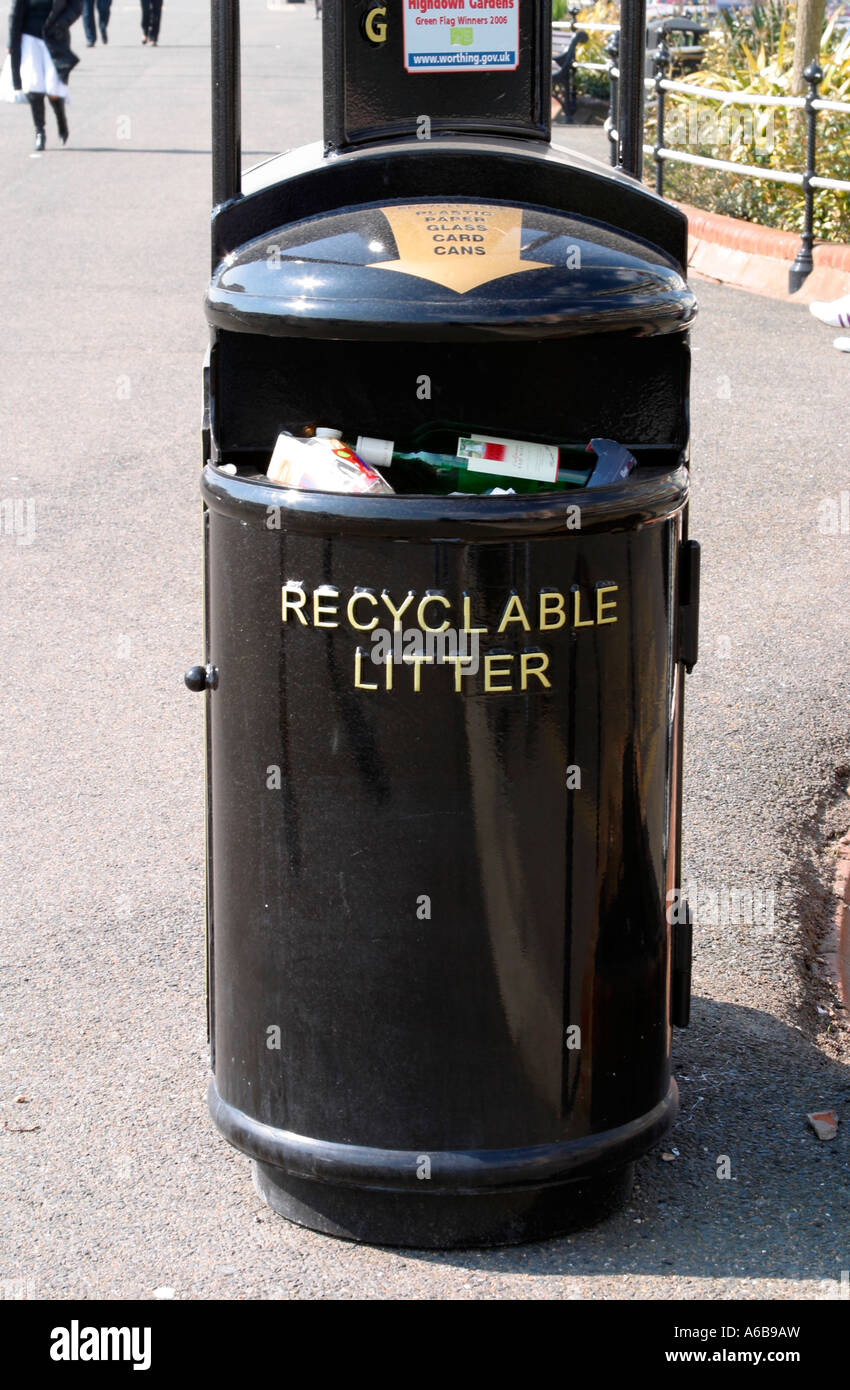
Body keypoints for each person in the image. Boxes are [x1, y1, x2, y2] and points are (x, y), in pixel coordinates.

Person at [3, 0, 82, 151]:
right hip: (29, 38)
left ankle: (61, 120)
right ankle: (40, 132)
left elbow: (76, 6)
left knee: (53, 88)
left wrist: (62, 23)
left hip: (54, 37)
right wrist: (11, 43)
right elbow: (15, 14)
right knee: (34, 87)